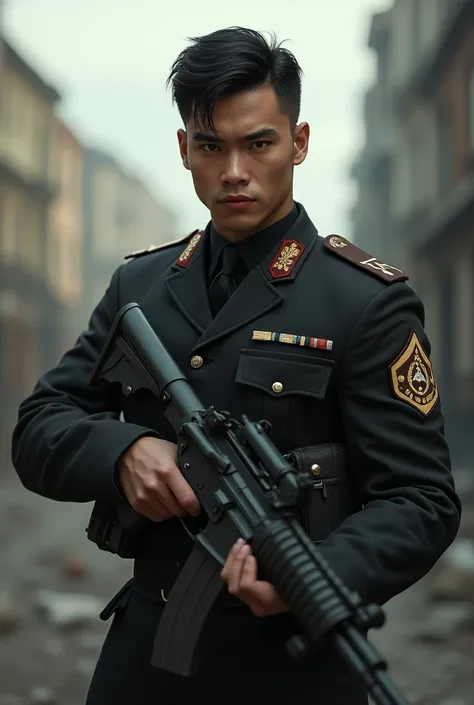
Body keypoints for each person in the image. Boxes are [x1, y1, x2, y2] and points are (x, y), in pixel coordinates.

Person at [11, 26, 461, 705]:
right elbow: (39, 426)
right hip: (147, 657)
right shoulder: (142, 285)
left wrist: (319, 568)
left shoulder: (365, 302)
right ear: (184, 149)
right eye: (210, 146)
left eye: (259, 143)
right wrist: (125, 449)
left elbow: (421, 498)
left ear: (299, 143)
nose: (234, 173)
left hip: (291, 666)